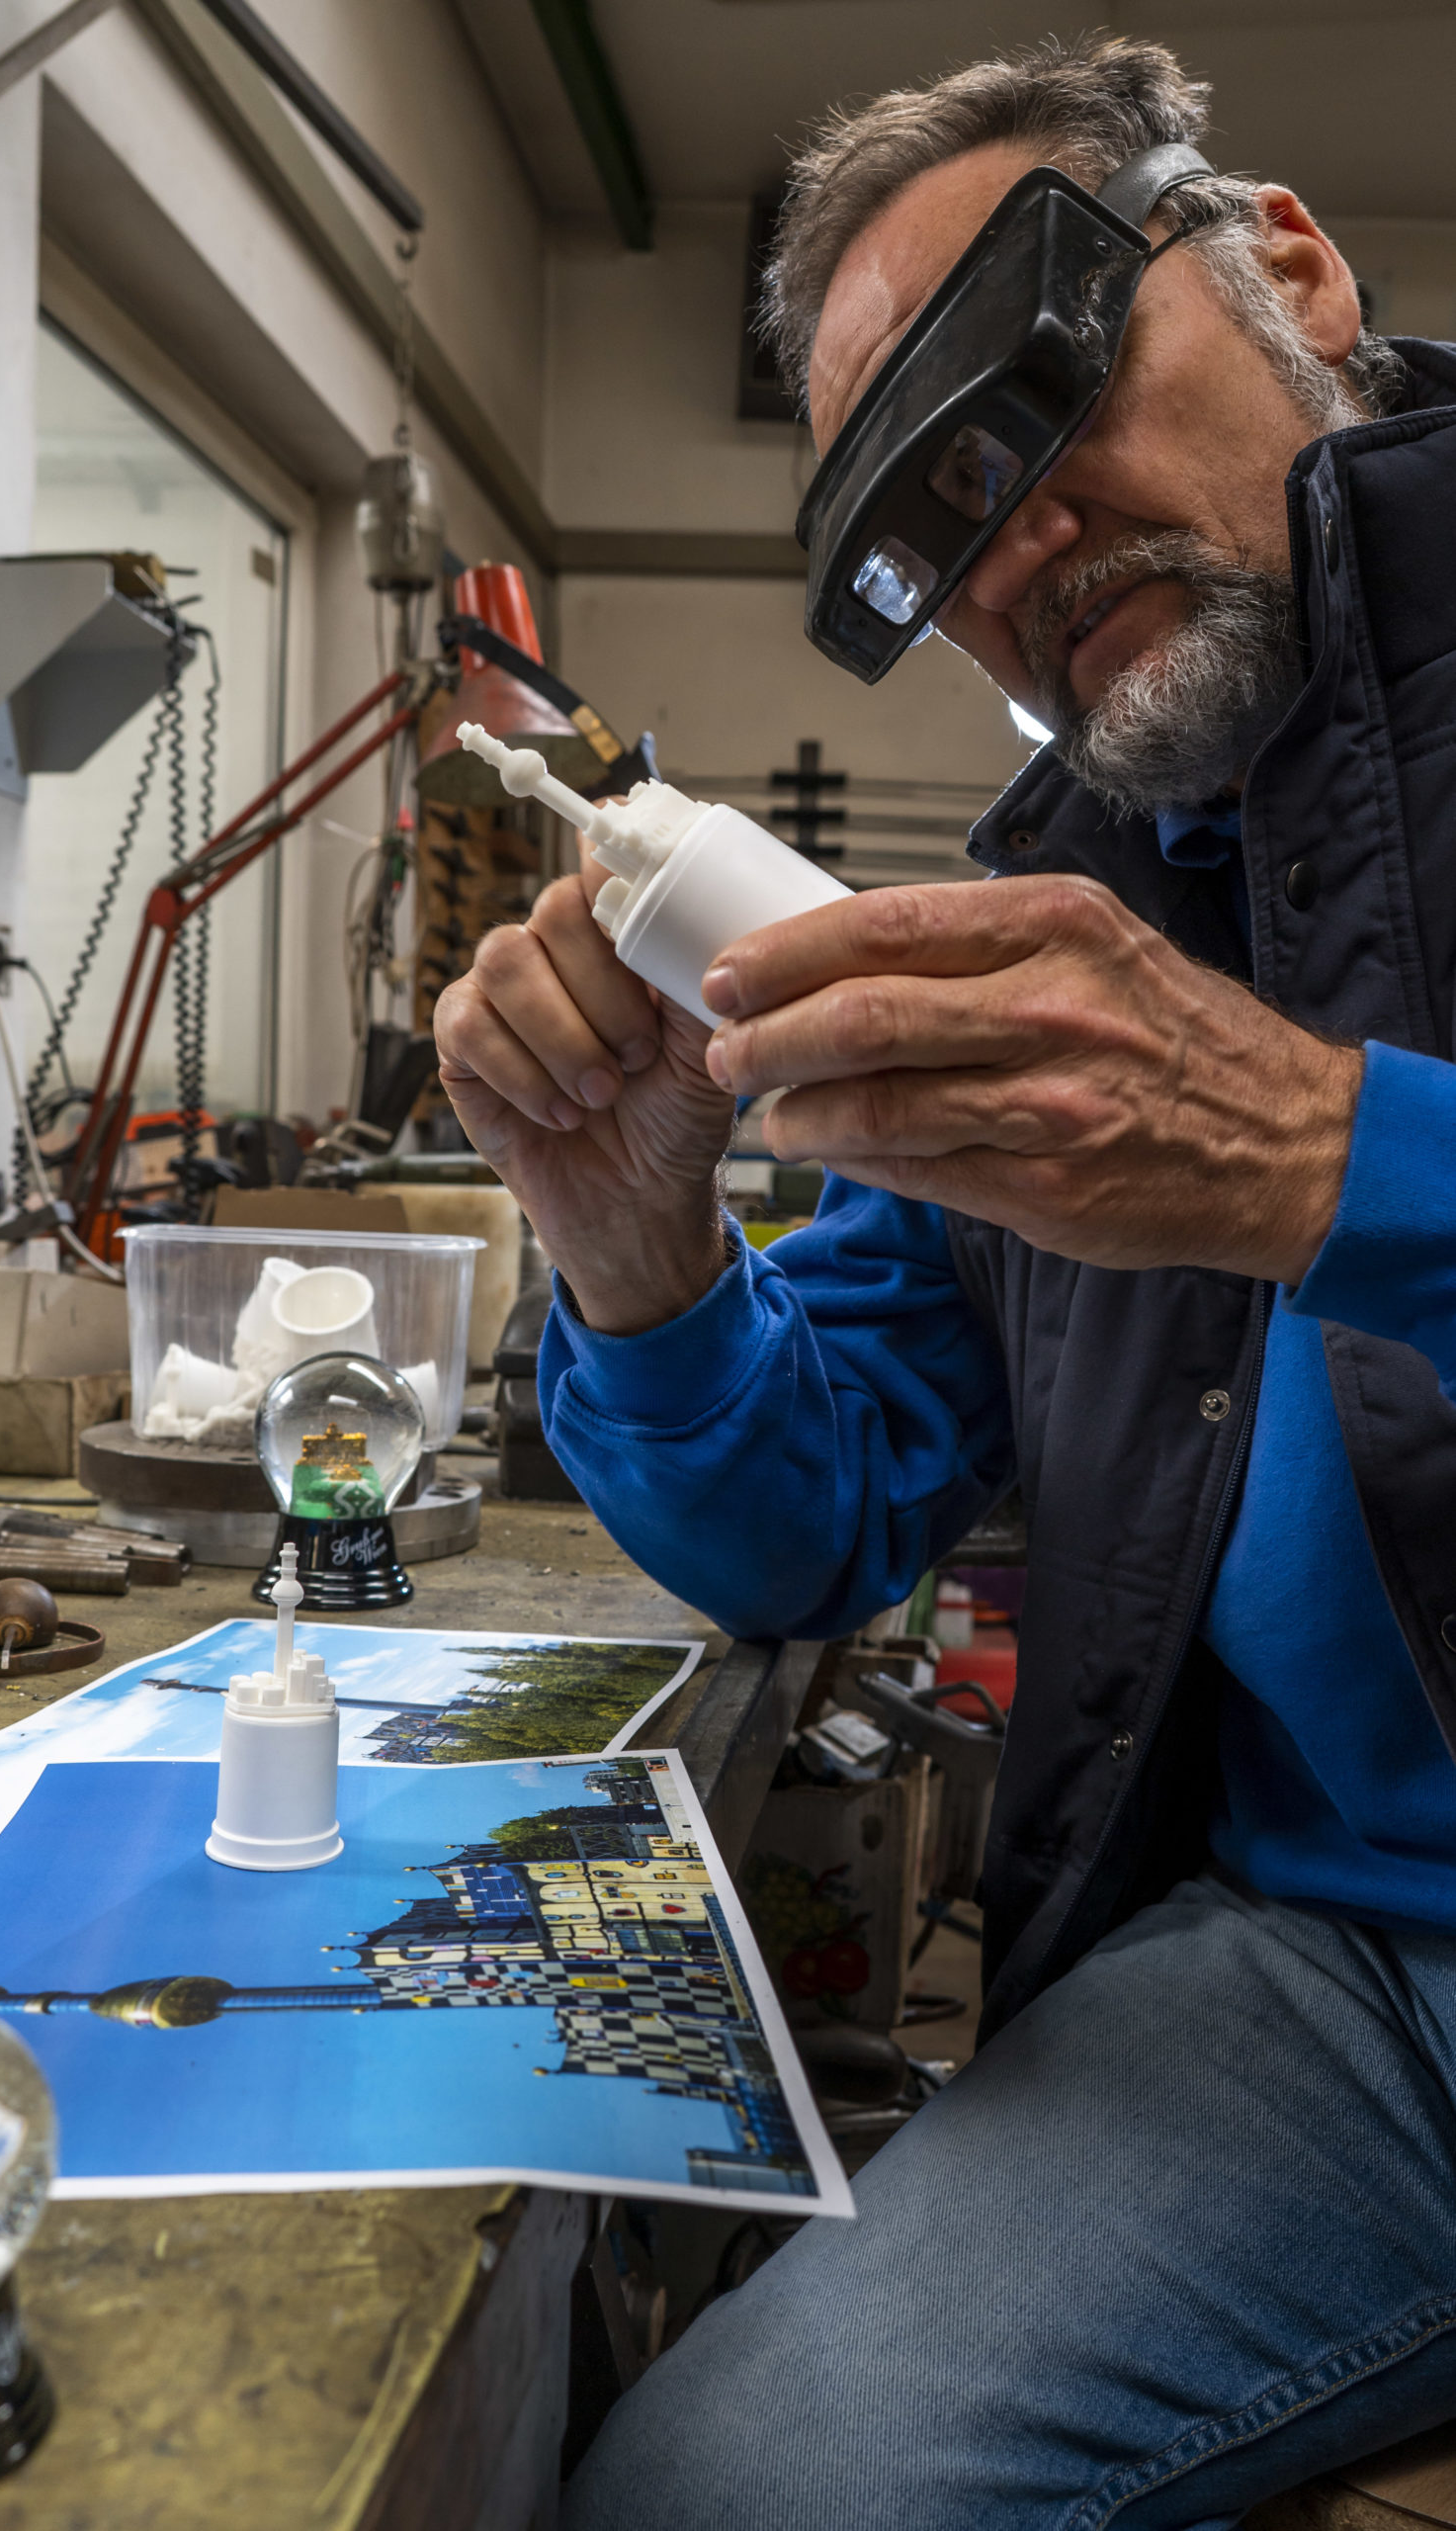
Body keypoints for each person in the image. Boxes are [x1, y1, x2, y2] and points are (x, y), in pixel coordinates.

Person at [434, 32, 1456, 2527]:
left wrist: (1336, 1156)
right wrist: (637, 1249)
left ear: (1286, 261)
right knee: (722, 2493)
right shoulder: (1064, 913)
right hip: (1339, 1968)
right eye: (925, 530)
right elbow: (822, 1515)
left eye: (1034, 383)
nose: (1017, 544)